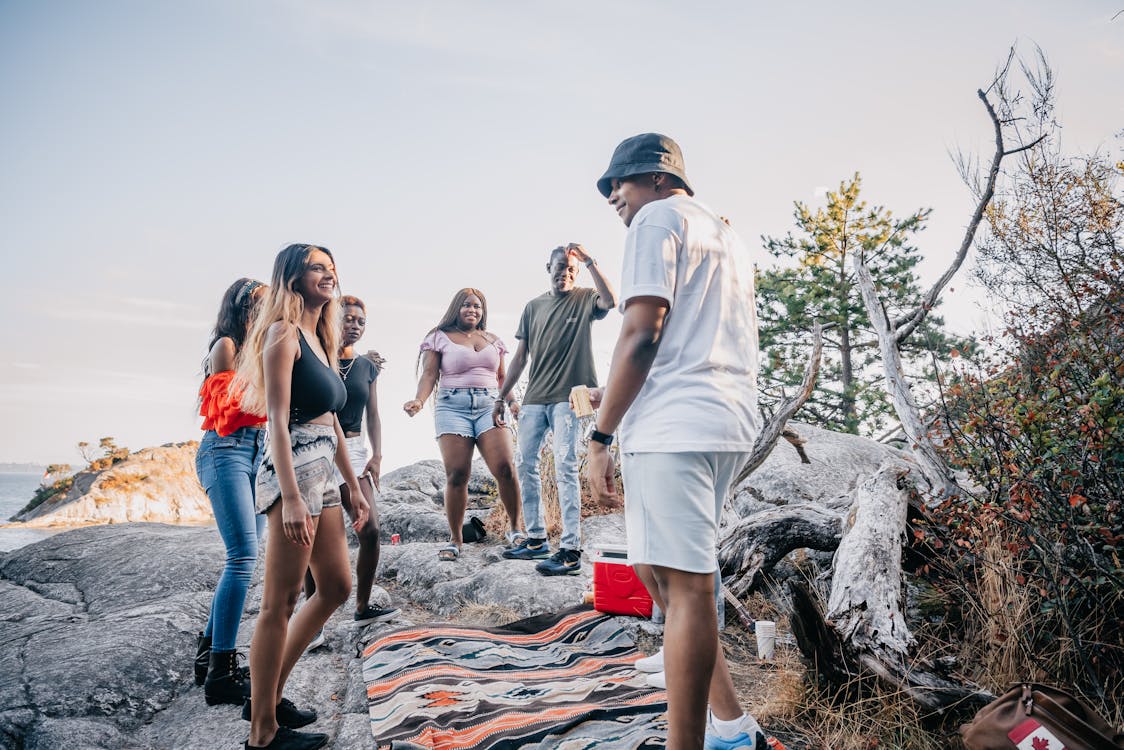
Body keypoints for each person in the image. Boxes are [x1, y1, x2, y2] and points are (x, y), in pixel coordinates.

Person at [585, 134, 766, 750]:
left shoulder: (657, 219)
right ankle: (734, 723)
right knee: (659, 575)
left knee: (687, 589)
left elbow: (641, 333)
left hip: (677, 420)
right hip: (721, 418)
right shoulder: (724, 232)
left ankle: (688, 743)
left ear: (660, 179)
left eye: (622, 182)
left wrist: (599, 433)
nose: (614, 196)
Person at [236, 243, 370, 750]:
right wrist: (290, 497)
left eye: (332, 268)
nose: (329, 275)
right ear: (292, 278)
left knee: (334, 587)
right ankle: (262, 733)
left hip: (325, 476)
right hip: (291, 471)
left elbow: (333, 420)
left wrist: (354, 488)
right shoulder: (282, 334)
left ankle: (264, 696)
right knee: (281, 602)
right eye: (318, 267)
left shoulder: (320, 337)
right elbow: (275, 420)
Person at [495, 243, 617, 576]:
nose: (565, 272)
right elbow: (520, 358)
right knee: (525, 463)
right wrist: (500, 398)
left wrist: (590, 261)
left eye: (571, 269)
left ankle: (570, 549)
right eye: (560, 267)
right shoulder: (533, 307)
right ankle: (535, 539)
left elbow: (611, 301)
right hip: (535, 397)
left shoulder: (584, 297)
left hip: (571, 397)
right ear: (548, 267)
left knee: (564, 463)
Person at [302, 295, 399, 652]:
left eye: (360, 320)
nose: (355, 324)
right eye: (348, 318)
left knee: (371, 527)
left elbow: (373, 413)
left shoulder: (366, 367)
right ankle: (312, 622)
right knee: (313, 536)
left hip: (356, 450)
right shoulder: (316, 357)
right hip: (319, 446)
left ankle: (362, 606)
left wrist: (377, 454)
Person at [403, 288, 523, 561]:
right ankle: (456, 539)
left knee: (505, 467)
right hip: (452, 407)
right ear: (456, 308)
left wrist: (513, 402)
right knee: (457, 474)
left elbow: (503, 377)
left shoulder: (493, 340)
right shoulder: (438, 337)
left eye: (477, 307)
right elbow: (429, 374)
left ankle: (515, 529)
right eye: (467, 305)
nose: (472, 310)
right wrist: (419, 401)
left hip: (490, 405)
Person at [194, 277, 267, 707]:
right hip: (226, 451)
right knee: (241, 557)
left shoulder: (259, 349)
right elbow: (231, 410)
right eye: (256, 303)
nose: (264, 310)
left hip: (257, 454)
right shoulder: (227, 346)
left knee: (247, 554)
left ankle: (207, 655)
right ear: (240, 308)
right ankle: (221, 671)